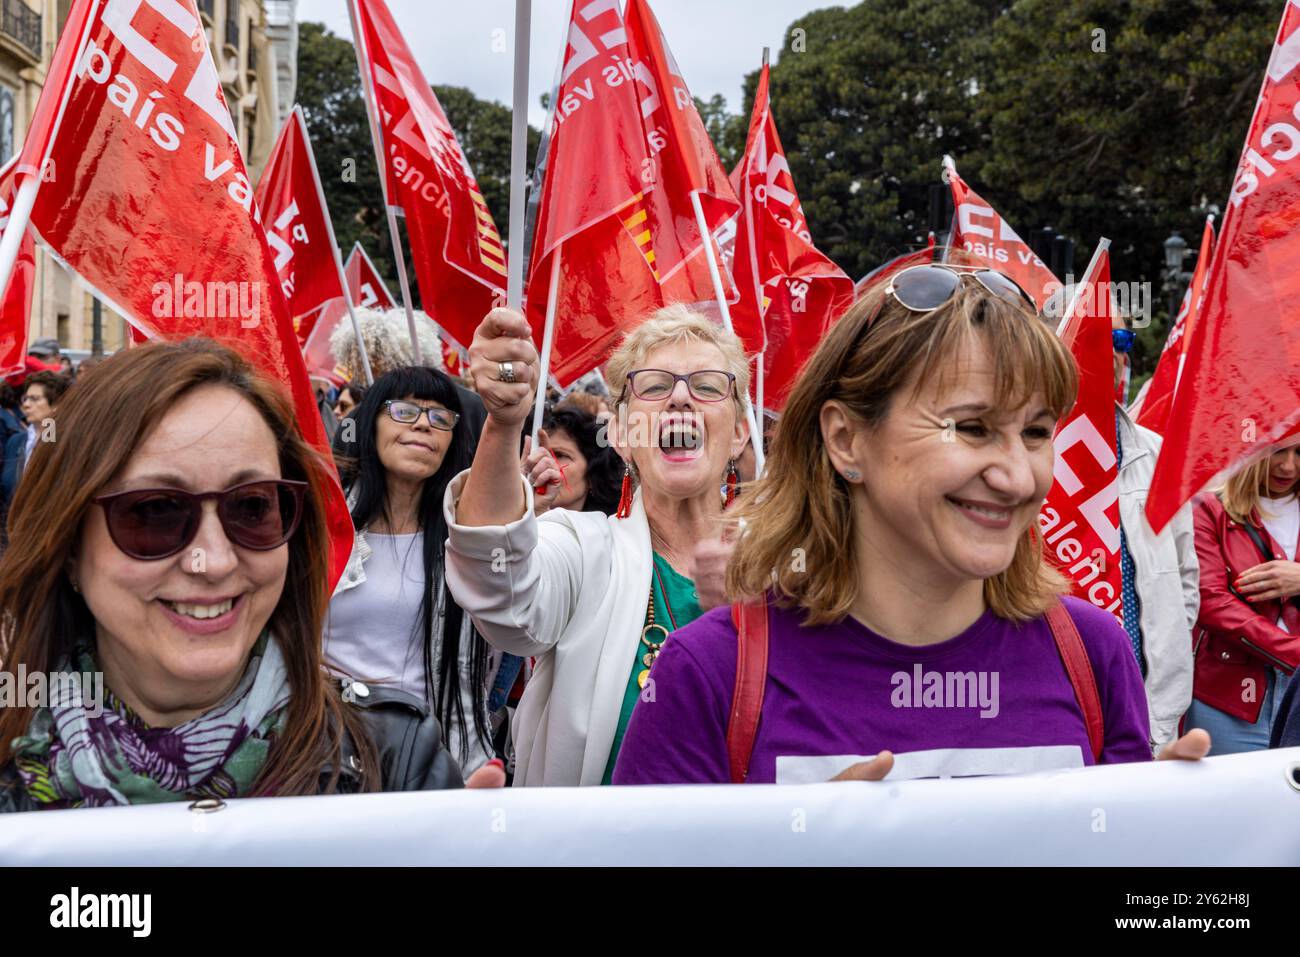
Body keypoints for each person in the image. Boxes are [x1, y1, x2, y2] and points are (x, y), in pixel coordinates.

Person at [611, 264, 1210, 785]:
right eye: (972, 428)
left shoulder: (1093, 651)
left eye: (1035, 432)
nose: (1018, 478)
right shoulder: (708, 674)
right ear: (846, 439)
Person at [0, 339, 502, 812]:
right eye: (154, 511)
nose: (214, 560)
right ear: (67, 545)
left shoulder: (396, 759)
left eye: (253, 507)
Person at [444, 303, 751, 785]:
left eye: (708, 385)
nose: (680, 400)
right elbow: (496, 588)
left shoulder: (791, 567)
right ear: (625, 436)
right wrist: (504, 424)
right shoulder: (583, 549)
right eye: (654, 385)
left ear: (738, 433)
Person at [325, 366, 499, 775]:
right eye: (405, 411)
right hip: (328, 750)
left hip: (426, 758)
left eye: (441, 418)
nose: (423, 424)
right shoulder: (324, 523)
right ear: (371, 424)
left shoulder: (469, 538)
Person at [1111, 312, 1199, 751]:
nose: (1112, 353)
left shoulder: (1157, 452)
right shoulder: (1026, 455)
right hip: (1060, 701)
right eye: (1095, 337)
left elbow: (1186, 573)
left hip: (1152, 707)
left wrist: (1169, 653)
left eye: (1121, 339)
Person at [1185, 439, 1300, 754]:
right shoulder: (1208, 509)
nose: (1288, 466)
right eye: (1278, 450)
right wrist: (1294, 652)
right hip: (1228, 694)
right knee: (1231, 799)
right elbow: (1211, 603)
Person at [520, 402, 623, 517]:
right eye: (534, 452)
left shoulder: (611, 532)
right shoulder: (502, 522)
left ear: (593, 473)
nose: (542, 462)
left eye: (560, 455)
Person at [2, 370, 70, 510]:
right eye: (25, 398)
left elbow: (49, 440)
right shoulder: (16, 441)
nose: (26, 404)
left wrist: (50, 422)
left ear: (56, 404)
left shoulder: (66, 441)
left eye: (35, 399)